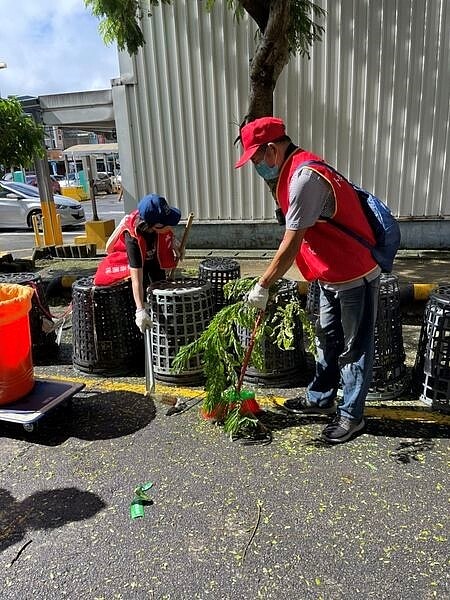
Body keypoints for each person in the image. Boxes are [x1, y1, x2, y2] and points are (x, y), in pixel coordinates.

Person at [235, 116, 380, 444]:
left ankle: (351, 416)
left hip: (355, 272)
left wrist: (263, 284)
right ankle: (320, 398)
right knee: (327, 337)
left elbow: (291, 243)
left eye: (257, 160)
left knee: (355, 347)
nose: (256, 167)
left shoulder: (303, 177)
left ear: (272, 150)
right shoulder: (289, 172)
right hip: (329, 272)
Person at [94, 193, 182, 333]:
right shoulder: (133, 239)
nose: (171, 226)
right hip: (133, 262)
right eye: (167, 223)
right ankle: (144, 325)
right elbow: (137, 279)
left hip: (152, 258)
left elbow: (167, 231)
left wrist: (173, 243)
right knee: (142, 292)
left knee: (160, 288)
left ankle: (166, 327)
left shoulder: (155, 224)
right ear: (156, 226)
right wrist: (140, 310)